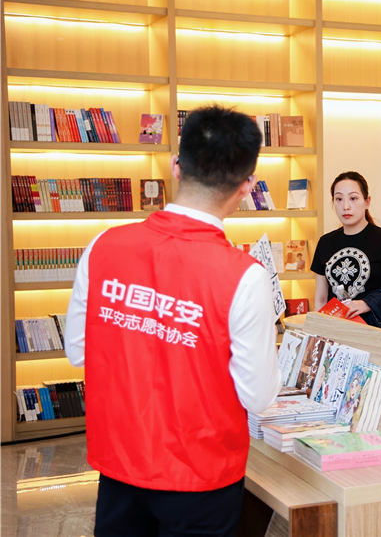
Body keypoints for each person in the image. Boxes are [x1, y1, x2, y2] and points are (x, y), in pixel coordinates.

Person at [64, 106, 282, 537]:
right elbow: (258, 396)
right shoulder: (245, 276)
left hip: (120, 464)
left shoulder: (103, 246)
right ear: (247, 185)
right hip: (202, 477)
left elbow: (77, 351)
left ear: (176, 165)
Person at [311, 171, 381, 328]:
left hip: (373, 331)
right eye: (339, 199)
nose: (346, 206)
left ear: (367, 202)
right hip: (336, 331)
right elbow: (321, 299)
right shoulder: (325, 242)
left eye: (353, 198)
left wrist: (369, 303)